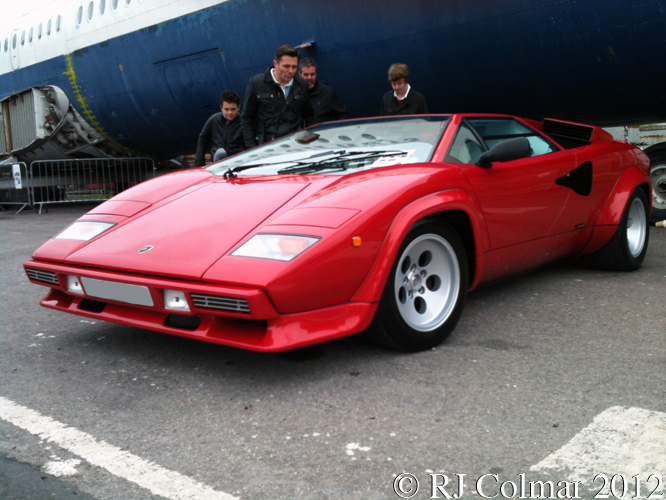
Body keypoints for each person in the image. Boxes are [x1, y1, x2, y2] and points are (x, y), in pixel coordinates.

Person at [241, 45, 313, 148]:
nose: (291, 71)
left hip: (295, 146)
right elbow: (247, 118)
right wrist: (252, 149)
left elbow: (309, 115)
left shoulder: (302, 85)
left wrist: (307, 142)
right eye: (286, 66)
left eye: (294, 67)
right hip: (266, 147)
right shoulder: (257, 83)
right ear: (276, 64)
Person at [194, 90, 245, 166]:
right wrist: (199, 164)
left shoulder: (244, 122)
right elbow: (202, 139)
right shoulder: (214, 120)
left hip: (239, 164)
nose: (230, 113)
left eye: (233, 109)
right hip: (218, 164)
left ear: (238, 107)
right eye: (226, 109)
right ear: (221, 107)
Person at [299, 57, 350, 125]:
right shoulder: (291, 93)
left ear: (316, 74)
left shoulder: (327, 92)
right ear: (299, 74)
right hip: (300, 134)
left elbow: (343, 115)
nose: (309, 77)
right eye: (306, 75)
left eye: (312, 74)